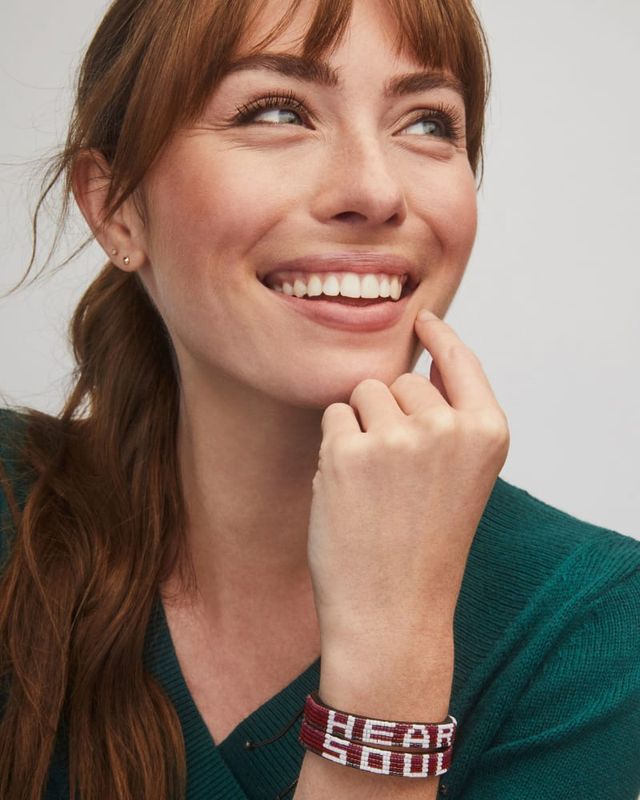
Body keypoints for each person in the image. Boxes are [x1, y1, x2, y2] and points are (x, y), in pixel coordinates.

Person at [0, 0, 638, 798]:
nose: (375, 191)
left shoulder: (588, 626)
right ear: (114, 206)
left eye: (428, 124)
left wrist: (392, 657)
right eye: (277, 111)